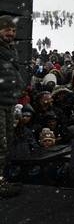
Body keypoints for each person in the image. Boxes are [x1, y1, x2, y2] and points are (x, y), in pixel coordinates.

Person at [0, 15, 24, 198]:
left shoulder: (11, 50)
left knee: (6, 143)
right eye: (7, 29)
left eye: (13, 30)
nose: (11, 33)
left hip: (9, 102)